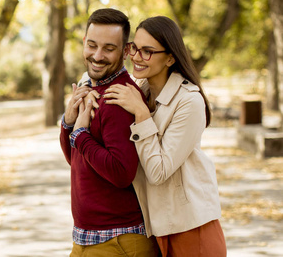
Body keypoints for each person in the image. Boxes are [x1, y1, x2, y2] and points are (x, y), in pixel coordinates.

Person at [79, 15, 227, 256]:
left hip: (191, 228)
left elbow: (158, 171)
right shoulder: (138, 90)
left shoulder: (189, 101)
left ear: (170, 57)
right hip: (156, 230)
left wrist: (141, 113)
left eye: (147, 51)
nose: (137, 57)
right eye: (135, 48)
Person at [59, 8, 159, 257]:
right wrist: (69, 124)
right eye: (92, 45)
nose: (97, 55)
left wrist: (80, 135)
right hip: (91, 238)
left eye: (109, 48)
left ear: (126, 51)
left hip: (117, 241)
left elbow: (121, 172)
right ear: (84, 42)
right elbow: (77, 160)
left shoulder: (118, 97)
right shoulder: (93, 89)